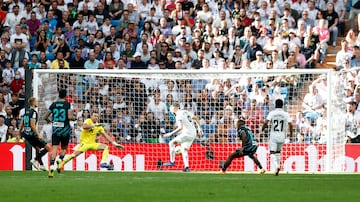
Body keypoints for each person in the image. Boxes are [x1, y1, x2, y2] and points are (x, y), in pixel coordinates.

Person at [57, 112, 123, 172]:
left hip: (92, 144)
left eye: (97, 116)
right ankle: (61, 164)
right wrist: (94, 125)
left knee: (106, 147)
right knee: (74, 155)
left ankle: (103, 163)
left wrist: (115, 143)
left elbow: (106, 136)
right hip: (84, 144)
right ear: (91, 116)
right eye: (94, 116)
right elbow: (84, 126)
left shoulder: (99, 126)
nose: (96, 117)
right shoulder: (88, 121)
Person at [43, 89, 76, 178]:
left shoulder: (53, 104)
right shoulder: (68, 104)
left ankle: (51, 166)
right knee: (64, 148)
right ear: (65, 96)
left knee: (54, 148)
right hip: (65, 130)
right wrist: (74, 118)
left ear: (58, 95)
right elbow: (69, 117)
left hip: (56, 130)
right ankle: (60, 159)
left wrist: (49, 121)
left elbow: (45, 116)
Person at [162, 102, 202, 172]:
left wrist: (170, 134)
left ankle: (172, 161)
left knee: (171, 143)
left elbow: (180, 127)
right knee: (184, 149)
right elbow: (196, 118)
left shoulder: (178, 115)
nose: (170, 110)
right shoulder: (185, 111)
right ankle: (187, 167)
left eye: (171, 108)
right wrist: (199, 128)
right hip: (193, 133)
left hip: (187, 133)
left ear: (175, 108)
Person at [261, 99, 293, 176]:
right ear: (282, 105)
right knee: (278, 152)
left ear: (275, 105)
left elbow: (266, 122)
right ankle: (277, 170)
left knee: (272, 152)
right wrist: (291, 135)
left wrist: (262, 129)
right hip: (282, 136)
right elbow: (291, 125)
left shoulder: (272, 113)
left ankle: (276, 166)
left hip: (273, 135)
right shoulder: (285, 114)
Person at [17, 97, 50, 171]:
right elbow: (32, 125)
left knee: (38, 149)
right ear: (33, 103)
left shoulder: (26, 112)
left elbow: (22, 123)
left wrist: (19, 133)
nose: (37, 103)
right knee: (48, 147)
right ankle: (35, 159)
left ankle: (41, 165)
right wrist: (38, 134)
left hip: (26, 134)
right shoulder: (34, 113)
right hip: (32, 134)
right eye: (36, 102)